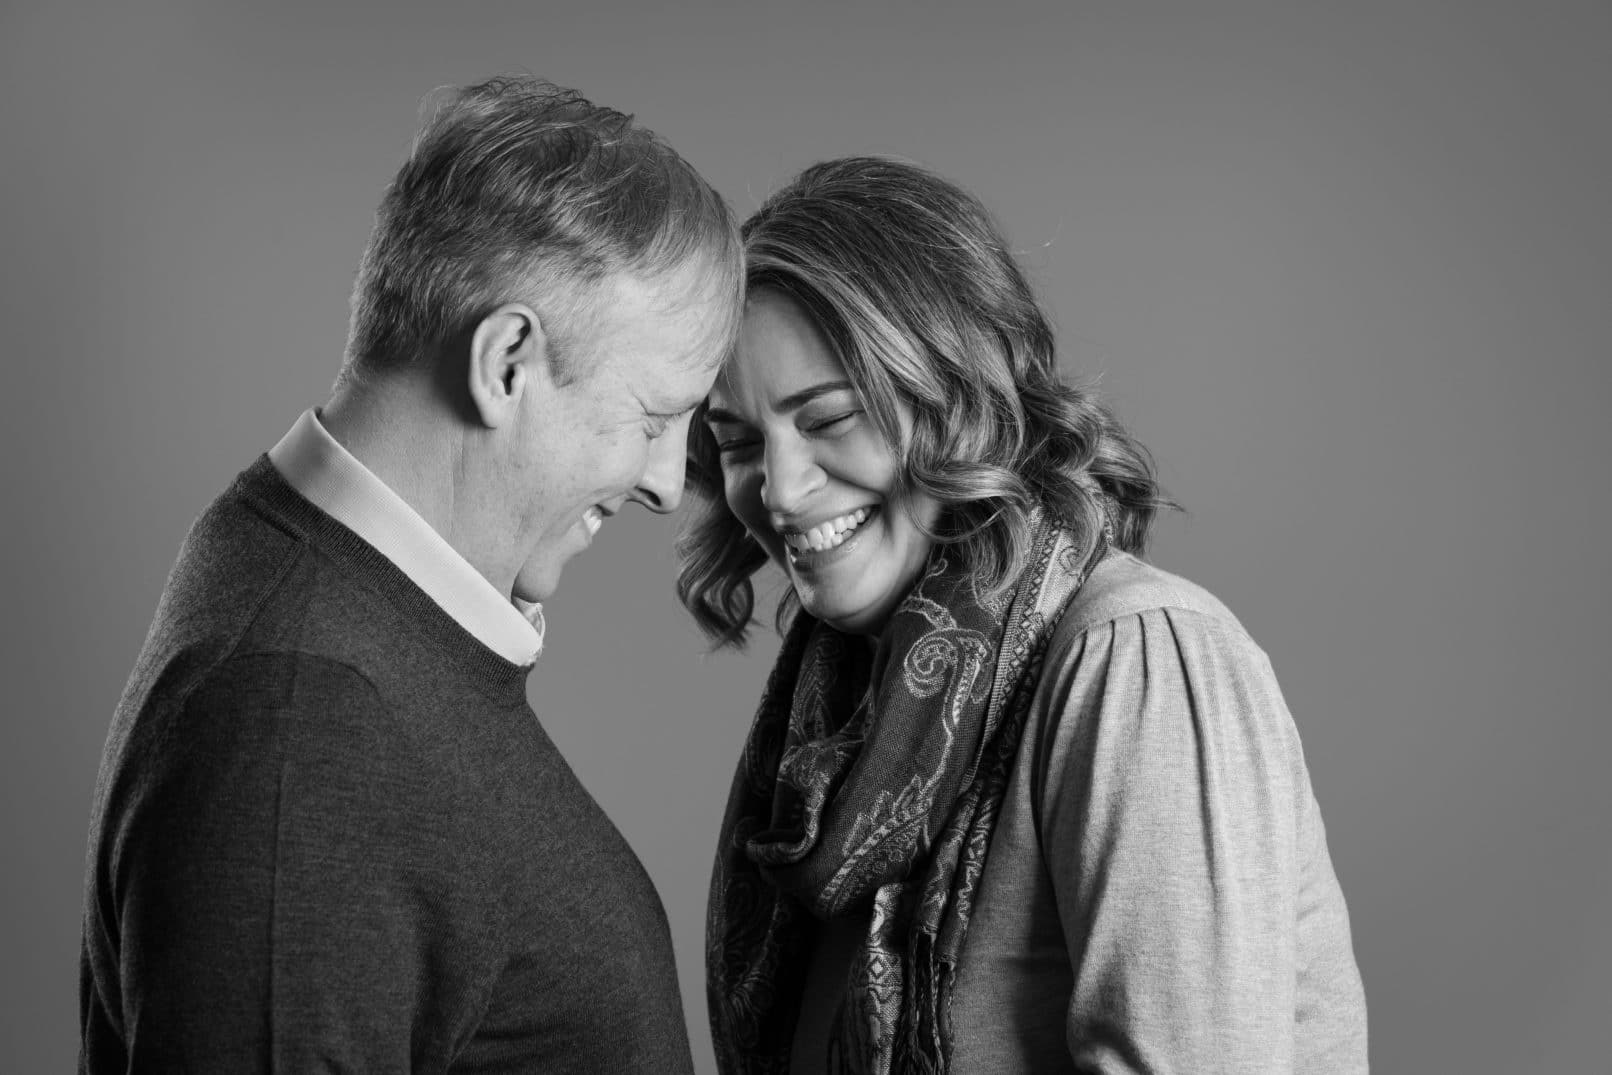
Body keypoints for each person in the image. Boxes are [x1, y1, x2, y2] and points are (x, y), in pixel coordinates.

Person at [80, 76, 742, 1073]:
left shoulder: (328, 615)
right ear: (507, 361)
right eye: (652, 420)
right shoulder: (306, 726)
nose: (665, 482)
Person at [679, 157, 1367, 1073]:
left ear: (954, 397)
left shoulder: (1135, 658)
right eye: (737, 442)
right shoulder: (835, 731)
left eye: (830, 418)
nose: (780, 487)